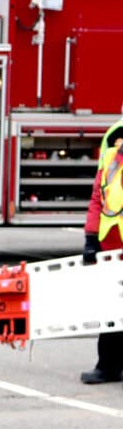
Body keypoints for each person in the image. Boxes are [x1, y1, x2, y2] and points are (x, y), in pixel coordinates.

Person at [79, 117, 123, 384]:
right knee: (110, 308)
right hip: (111, 241)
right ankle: (108, 365)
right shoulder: (112, 144)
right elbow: (99, 193)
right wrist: (91, 236)